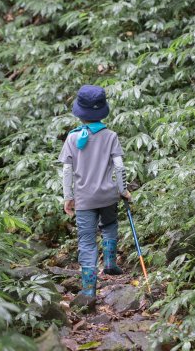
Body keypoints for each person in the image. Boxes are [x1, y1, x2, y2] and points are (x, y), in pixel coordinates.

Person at [58, 85, 132, 300]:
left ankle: (89, 288)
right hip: (108, 195)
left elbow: (67, 171)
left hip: (84, 199)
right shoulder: (110, 136)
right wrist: (123, 190)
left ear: (80, 113)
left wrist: (68, 197)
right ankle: (110, 263)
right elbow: (119, 167)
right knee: (109, 225)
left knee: (87, 241)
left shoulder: (72, 139)